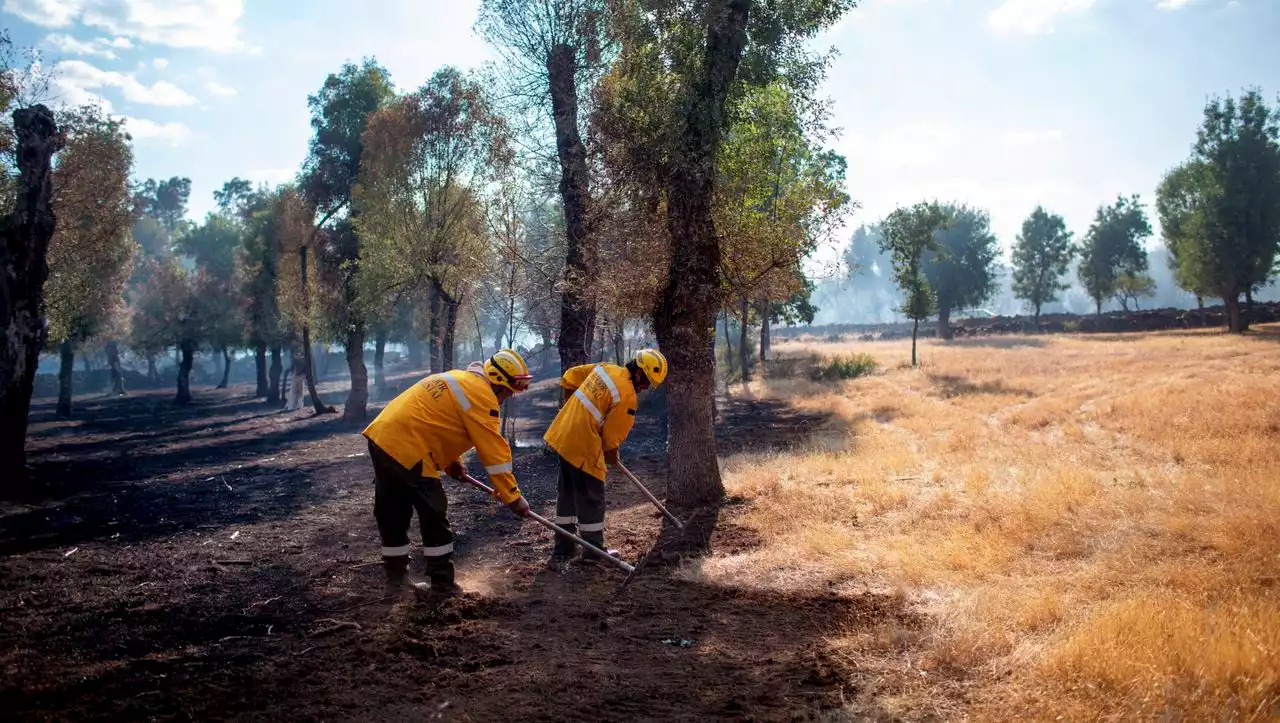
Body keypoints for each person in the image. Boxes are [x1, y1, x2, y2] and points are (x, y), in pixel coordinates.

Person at [361, 349, 534, 597]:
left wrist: (453, 462)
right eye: (508, 390)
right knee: (434, 513)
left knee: (392, 511)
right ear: (497, 382)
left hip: (382, 438)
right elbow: (495, 456)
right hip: (410, 447)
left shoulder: (460, 379)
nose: (508, 397)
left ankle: (396, 581)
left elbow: (437, 421)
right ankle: (442, 584)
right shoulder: (483, 397)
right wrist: (513, 498)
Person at [542, 348, 669, 568]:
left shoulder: (605, 369)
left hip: (563, 435)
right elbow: (611, 439)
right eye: (647, 381)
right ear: (638, 372)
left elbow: (569, 377)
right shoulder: (627, 396)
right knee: (592, 497)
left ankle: (563, 549)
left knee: (568, 494)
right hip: (583, 445)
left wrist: (574, 411)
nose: (646, 387)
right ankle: (593, 552)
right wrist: (611, 453)